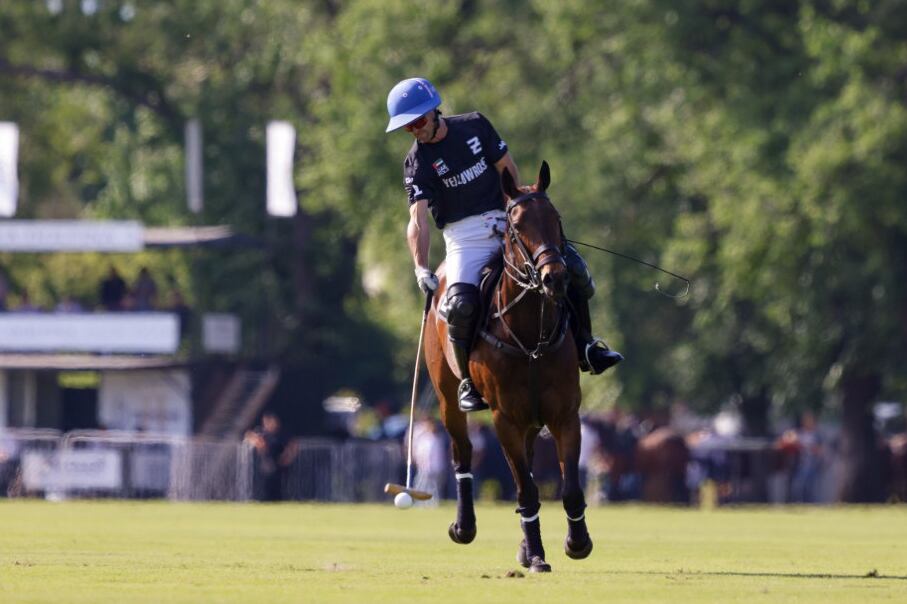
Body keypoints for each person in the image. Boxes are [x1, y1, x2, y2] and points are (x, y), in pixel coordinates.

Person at [386, 76, 623, 412]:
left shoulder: (475, 126)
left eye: (419, 122)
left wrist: (517, 211)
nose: (416, 131)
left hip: (505, 218)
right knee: (458, 305)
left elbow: (507, 170)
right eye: (408, 128)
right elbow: (417, 220)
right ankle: (468, 381)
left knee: (574, 271)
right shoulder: (417, 163)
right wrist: (420, 265)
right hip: (463, 236)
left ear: (435, 112)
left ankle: (587, 347)